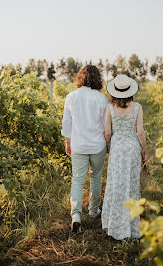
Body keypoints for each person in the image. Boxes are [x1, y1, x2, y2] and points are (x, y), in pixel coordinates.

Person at [61, 65, 108, 233]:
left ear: (80, 77)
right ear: (97, 79)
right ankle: (94, 211)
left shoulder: (71, 96)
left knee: (77, 180)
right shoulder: (102, 99)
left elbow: (67, 123)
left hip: (79, 145)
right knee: (95, 177)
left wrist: (68, 142)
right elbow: (105, 126)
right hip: (97, 145)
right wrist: (108, 144)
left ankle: (76, 216)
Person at [102, 74, 148, 240]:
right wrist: (145, 152)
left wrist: (107, 147)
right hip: (132, 149)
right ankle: (133, 225)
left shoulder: (110, 108)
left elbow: (107, 132)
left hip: (117, 148)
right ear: (131, 91)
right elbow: (140, 133)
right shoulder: (137, 107)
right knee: (132, 184)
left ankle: (113, 223)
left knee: (115, 184)